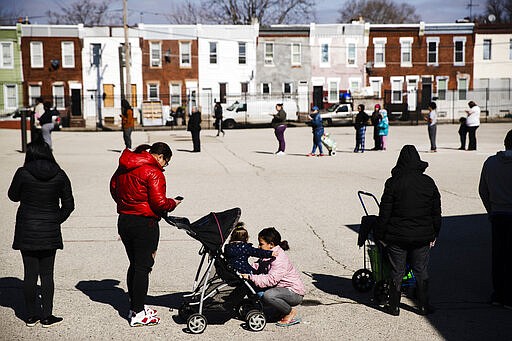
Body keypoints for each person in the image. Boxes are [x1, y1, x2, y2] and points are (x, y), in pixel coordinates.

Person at [110, 142, 182, 327]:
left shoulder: (126, 165)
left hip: (125, 219)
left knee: (134, 264)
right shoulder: (153, 171)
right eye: (166, 162)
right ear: (160, 156)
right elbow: (159, 203)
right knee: (143, 267)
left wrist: (127, 203)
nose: (164, 166)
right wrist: (173, 203)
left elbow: (113, 187)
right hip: (145, 223)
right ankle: (138, 313)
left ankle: (135, 306)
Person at [8, 141, 75, 328]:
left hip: (27, 229)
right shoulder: (60, 174)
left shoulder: (22, 173)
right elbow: (69, 205)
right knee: (47, 275)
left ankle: (30, 316)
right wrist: (55, 220)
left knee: (29, 274)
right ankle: (47, 315)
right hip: (49, 230)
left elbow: (13, 196)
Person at [376, 145, 441, 316]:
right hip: (422, 236)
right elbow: (436, 212)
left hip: (397, 237)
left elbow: (385, 212)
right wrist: (435, 233)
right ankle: (424, 305)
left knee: (397, 271)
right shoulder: (428, 182)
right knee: (421, 270)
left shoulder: (393, 183)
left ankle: (394, 306)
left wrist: (380, 235)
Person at [242, 227, 305, 327]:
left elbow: (271, 280)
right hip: (280, 289)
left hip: (293, 292)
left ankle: (289, 312)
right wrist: (245, 270)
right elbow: (259, 266)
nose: (258, 247)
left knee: (268, 295)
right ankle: (278, 311)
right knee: (254, 289)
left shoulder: (279, 259)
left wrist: (251, 277)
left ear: (271, 245)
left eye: (261, 244)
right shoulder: (268, 254)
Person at [478, 129, 512, 309]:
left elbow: (483, 190)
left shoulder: (490, 162)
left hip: (498, 214)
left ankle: (499, 293)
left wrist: (491, 210)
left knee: (498, 256)